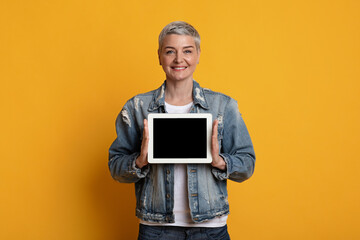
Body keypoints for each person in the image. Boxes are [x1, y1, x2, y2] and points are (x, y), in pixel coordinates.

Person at [108, 21, 255, 240]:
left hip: (211, 228)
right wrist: (139, 161)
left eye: (187, 51)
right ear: (159, 56)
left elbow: (247, 164)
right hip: (155, 229)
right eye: (170, 51)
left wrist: (219, 161)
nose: (179, 59)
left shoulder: (223, 106)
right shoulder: (137, 107)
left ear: (197, 54)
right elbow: (115, 166)